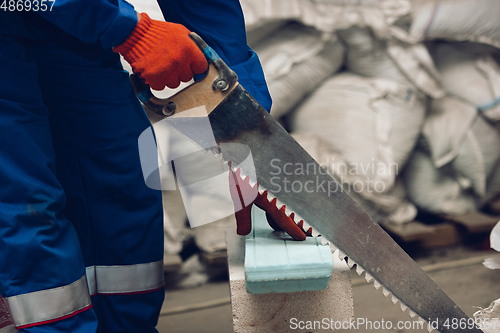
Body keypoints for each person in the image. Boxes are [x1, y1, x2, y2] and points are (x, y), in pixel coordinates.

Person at [0, 1, 306, 332]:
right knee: (27, 203)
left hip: (69, 27)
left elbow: (206, 9)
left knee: (119, 188)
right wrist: (130, 30)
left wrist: (244, 134)